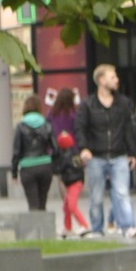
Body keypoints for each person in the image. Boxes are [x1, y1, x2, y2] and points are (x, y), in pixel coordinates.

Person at [77, 64, 136, 240]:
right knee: (96, 197)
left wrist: (132, 153)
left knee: (122, 193)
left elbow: (128, 128)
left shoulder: (123, 103)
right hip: (96, 156)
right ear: (101, 80)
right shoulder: (88, 105)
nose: (117, 80)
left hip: (119, 155)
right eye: (113, 77)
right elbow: (80, 128)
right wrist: (83, 148)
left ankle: (128, 227)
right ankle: (97, 229)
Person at [49, 88, 89, 235]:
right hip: (73, 153)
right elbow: (78, 132)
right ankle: (76, 224)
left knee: (63, 184)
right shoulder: (73, 115)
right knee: (74, 186)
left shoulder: (52, 114)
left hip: (57, 153)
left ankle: (68, 226)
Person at [11, 95, 57, 223]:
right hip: (45, 165)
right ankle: (44, 229)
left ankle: (35, 229)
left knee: (33, 203)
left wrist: (14, 173)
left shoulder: (20, 126)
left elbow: (16, 151)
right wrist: (52, 164)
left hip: (27, 167)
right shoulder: (47, 124)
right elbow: (55, 148)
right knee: (43, 201)